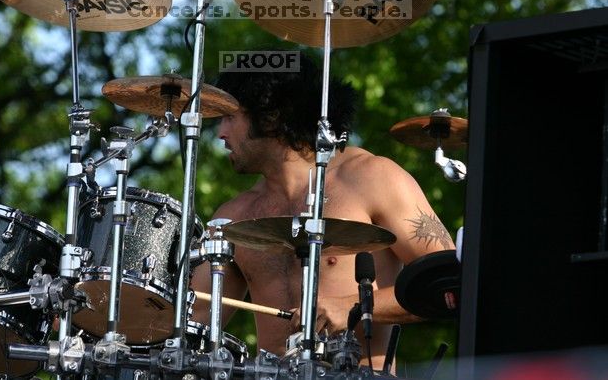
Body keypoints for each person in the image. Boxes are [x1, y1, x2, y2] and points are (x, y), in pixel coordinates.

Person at [190, 53, 454, 369]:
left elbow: (449, 283)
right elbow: (195, 317)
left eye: (230, 117)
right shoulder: (233, 217)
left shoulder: (372, 178)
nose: (220, 133)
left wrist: (355, 307)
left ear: (271, 116)